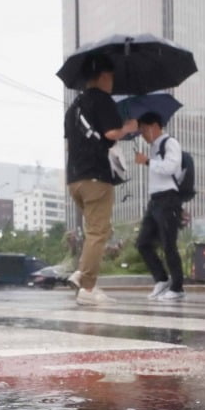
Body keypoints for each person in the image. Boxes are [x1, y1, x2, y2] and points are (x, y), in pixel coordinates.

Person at [63, 54, 138, 306]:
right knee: (98, 232)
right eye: (111, 78)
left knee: (98, 230)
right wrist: (128, 128)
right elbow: (110, 133)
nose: (112, 83)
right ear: (104, 76)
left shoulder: (73, 108)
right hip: (96, 177)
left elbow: (71, 143)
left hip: (75, 179)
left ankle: (81, 274)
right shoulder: (102, 100)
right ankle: (87, 287)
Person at [134, 112, 186, 302]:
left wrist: (147, 161)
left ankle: (177, 287)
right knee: (143, 243)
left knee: (168, 245)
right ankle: (162, 279)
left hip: (169, 199)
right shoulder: (154, 148)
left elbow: (171, 168)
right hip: (155, 200)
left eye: (143, 130)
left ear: (154, 126)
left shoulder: (170, 143)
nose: (142, 134)